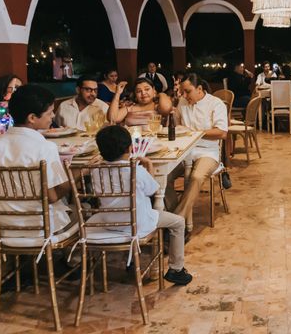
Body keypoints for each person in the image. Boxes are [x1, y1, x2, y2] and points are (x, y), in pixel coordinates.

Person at [94, 125, 192, 285]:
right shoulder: (136, 171)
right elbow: (153, 189)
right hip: (137, 224)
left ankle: (132, 260)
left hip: (110, 222)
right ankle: (177, 269)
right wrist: (149, 166)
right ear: (130, 148)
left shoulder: (95, 171)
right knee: (178, 222)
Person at [0, 85, 71, 234]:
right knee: (79, 213)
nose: (53, 116)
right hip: (42, 227)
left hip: (1, 227)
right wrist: (75, 177)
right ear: (32, 118)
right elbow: (52, 196)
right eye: (49, 112)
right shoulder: (45, 147)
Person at [166, 74, 228, 225]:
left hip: (208, 152)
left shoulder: (215, 103)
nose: (184, 95)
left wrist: (195, 134)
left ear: (199, 89)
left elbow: (222, 133)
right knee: (163, 176)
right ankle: (176, 212)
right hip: (184, 151)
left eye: (188, 91)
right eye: (182, 92)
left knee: (196, 177)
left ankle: (177, 220)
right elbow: (178, 126)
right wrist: (172, 116)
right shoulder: (182, 102)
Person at [107, 78, 173, 126]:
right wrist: (118, 93)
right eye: (139, 91)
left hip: (157, 142)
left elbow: (166, 109)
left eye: (147, 89)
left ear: (153, 90)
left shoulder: (157, 107)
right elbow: (113, 119)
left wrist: (160, 94)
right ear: (135, 95)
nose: (143, 93)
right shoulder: (130, 107)